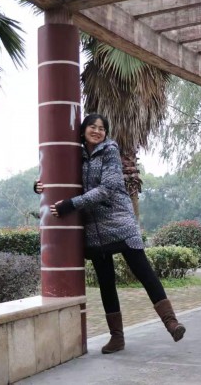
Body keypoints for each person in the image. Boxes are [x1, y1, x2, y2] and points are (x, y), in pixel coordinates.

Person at [35, 113, 185, 354]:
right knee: (106, 284)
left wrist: (71, 204)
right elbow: (57, 175)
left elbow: (107, 188)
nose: (97, 131)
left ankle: (172, 323)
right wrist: (40, 185)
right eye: (92, 127)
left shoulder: (110, 151)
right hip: (94, 231)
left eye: (101, 128)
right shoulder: (76, 154)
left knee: (145, 273)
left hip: (120, 222)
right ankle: (117, 337)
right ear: (83, 130)